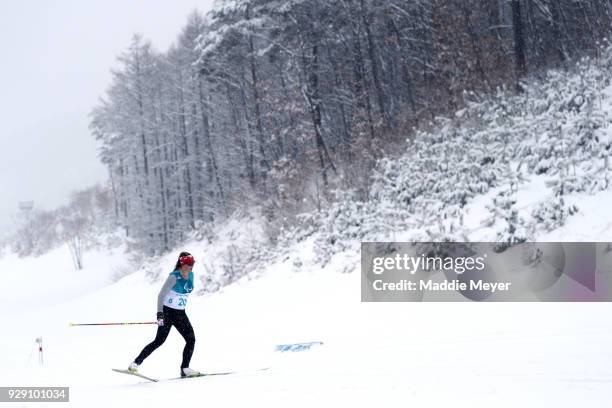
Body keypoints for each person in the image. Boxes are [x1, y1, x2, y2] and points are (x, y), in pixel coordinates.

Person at [128, 251, 200, 377]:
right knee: (159, 341)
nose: (191, 266)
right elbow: (161, 295)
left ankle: (185, 368)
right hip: (168, 312)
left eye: (192, 263)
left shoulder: (191, 275)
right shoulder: (173, 277)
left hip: (181, 314)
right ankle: (135, 363)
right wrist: (160, 314)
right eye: (188, 263)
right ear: (182, 263)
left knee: (191, 339)